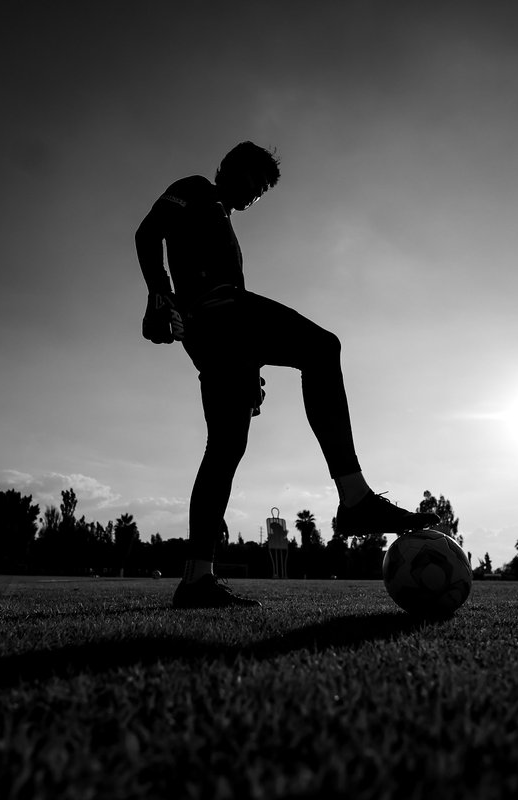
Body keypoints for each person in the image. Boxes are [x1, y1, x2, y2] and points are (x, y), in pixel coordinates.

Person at [134, 142, 439, 608]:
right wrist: (160, 294)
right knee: (322, 348)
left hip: (218, 337)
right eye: (253, 180)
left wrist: (249, 367)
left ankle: (196, 579)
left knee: (225, 447)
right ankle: (355, 497)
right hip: (218, 314)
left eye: (262, 190)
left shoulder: (224, 223)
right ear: (229, 167)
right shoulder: (195, 189)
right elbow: (147, 232)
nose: (255, 193)